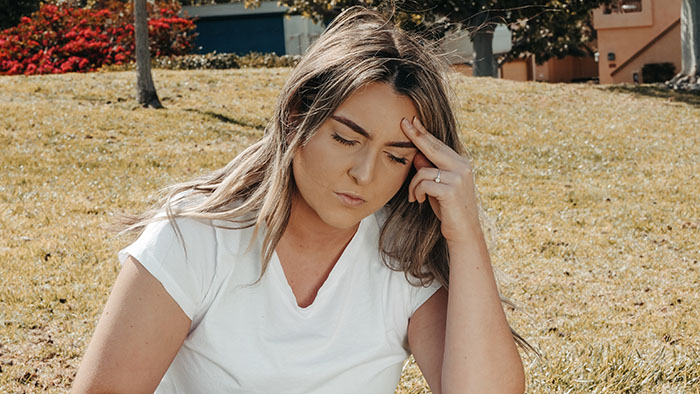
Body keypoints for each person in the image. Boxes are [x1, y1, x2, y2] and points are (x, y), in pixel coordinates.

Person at [71, 6, 531, 394]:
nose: (365, 174)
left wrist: (465, 234)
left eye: (395, 156)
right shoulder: (192, 237)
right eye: (347, 139)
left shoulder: (401, 259)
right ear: (297, 118)